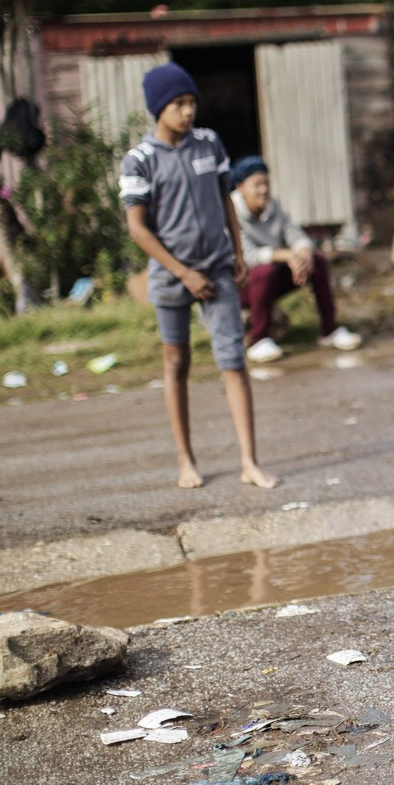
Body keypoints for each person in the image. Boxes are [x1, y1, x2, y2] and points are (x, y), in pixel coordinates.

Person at [121, 63, 278, 490]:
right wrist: (183, 273)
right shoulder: (140, 160)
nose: (188, 111)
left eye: (191, 102)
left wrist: (239, 251)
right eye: (178, 104)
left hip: (218, 270)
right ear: (159, 108)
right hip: (173, 279)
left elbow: (226, 199)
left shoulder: (209, 144)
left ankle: (249, 462)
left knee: (234, 361)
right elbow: (138, 228)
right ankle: (186, 460)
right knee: (176, 364)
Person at [228, 155, 362, 363]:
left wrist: (303, 255)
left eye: (266, 183)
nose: (263, 190)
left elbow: (297, 236)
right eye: (257, 185)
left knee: (315, 259)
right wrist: (288, 255)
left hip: (270, 279)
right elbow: (250, 256)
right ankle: (258, 340)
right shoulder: (230, 213)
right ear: (240, 187)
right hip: (240, 286)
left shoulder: (274, 207)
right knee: (265, 270)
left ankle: (330, 330)